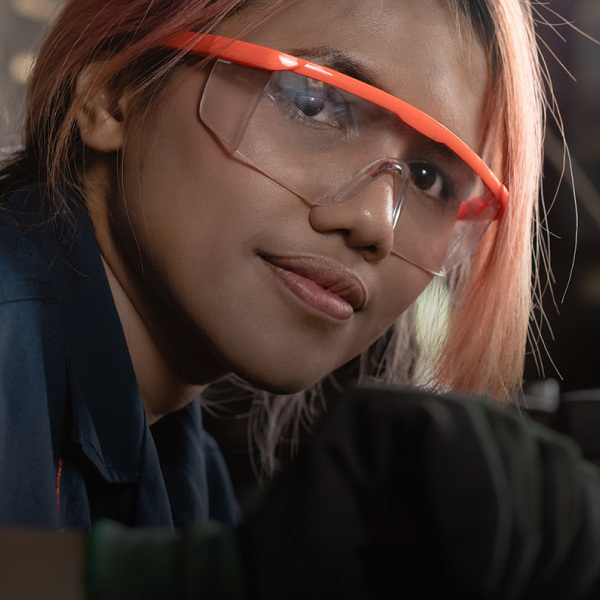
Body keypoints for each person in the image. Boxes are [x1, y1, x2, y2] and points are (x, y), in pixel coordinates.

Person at [5, 0, 597, 598]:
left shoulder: (185, 471)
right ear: (112, 93)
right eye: (313, 102)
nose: (375, 223)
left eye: (428, 179)